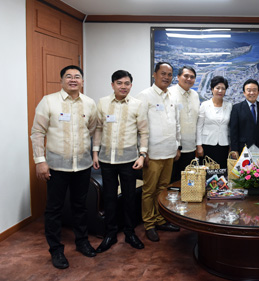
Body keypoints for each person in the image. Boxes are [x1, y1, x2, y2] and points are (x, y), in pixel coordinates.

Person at [30, 65, 98, 269]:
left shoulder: (89, 103)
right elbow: (37, 133)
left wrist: (93, 153)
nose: (73, 79)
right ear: (61, 81)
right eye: (68, 76)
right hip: (56, 167)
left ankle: (82, 242)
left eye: (77, 76)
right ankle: (56, 250)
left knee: (80, 206)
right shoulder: (48, 101)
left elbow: (93, 129)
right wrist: (40, 161)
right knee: (54, 209)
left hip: (83, 165)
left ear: (82, 81)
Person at [92, 70, 148, 253]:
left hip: (129, 160)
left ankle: (130, 233)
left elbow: (144, 132)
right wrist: (95, 153)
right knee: (109, 198)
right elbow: (98, 129)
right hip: (107, 159)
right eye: (119, 83)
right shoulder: (102, 103)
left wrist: (142, 155)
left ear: (131, 85)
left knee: (129, 198)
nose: (123, 86)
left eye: (127, 83)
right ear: (112, 85)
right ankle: (110, 234)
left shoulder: (138, 105)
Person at [136, 62, 181, 242]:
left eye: (169, 74)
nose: (166, 77)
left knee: (163, 189)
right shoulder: (144, 96)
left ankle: (161, 219)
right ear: (154, 74)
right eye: (163, 73)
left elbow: (176, 123)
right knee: (149, 190)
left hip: (169, 151)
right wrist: (143, 152)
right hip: (152, 153)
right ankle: (149, 224)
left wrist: (177, 146)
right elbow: (139, 127)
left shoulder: (172, 96)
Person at [170, 66, 200, 182]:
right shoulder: (170, 93)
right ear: (178, 77)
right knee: (173, 181)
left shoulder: (195, 95)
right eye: (186, 76)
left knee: (188, 182)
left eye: (192, 77)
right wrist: (176, 146)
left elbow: (196, 121)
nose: (189, 79)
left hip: (191, 148)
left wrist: (197, 145)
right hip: (175, 149)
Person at [196, 76, 232, 167]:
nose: (220, 91)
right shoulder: (204, 105)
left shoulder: (229, 106)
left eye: (223, 89)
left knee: (222, 172)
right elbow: (199, 127)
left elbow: (231, 127)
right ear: (212, 89)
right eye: (217, 88)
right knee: (206, 172)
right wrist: (199, 145)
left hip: (224, 145)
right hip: (207, 144)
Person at [230, 79, 259, 157]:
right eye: (249, 90)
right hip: (243, 148)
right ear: (244, 93)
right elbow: (233, 131)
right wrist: (234, 149)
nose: (252, 93)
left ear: (258, 92)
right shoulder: (236, 108)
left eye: (254, 90)